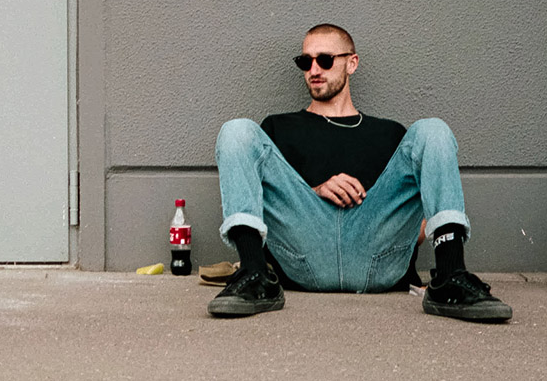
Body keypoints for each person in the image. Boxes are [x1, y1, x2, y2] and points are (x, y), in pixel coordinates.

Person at [207, 23, 511, 322]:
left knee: (432, 129)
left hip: (376, 253)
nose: (314, 70)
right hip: (302, 250)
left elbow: (413, 219)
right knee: (236, 131)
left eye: (325, 60)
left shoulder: (391, 135)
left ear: (351, 63)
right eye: (306, 61)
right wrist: (315, 192)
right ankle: (254, 274)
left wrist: (394, 223)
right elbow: (266, 205)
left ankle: (451, 276)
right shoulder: (277, 128)